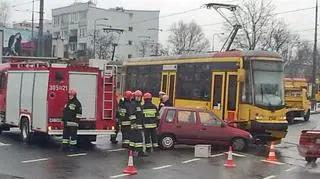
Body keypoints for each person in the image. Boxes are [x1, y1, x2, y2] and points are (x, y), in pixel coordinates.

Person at [130, 90, 147, 156]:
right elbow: (132, 115)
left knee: (133, 139)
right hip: (135, 125)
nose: (138, 98)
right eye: (137, 96)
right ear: (134, 97)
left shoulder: (139, 104)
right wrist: (134, 123)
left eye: (139, 97)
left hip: (139, 125)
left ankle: (132, 150)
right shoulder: (133, 104)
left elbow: (141, 115)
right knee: (139, 139)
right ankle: (140, 152)